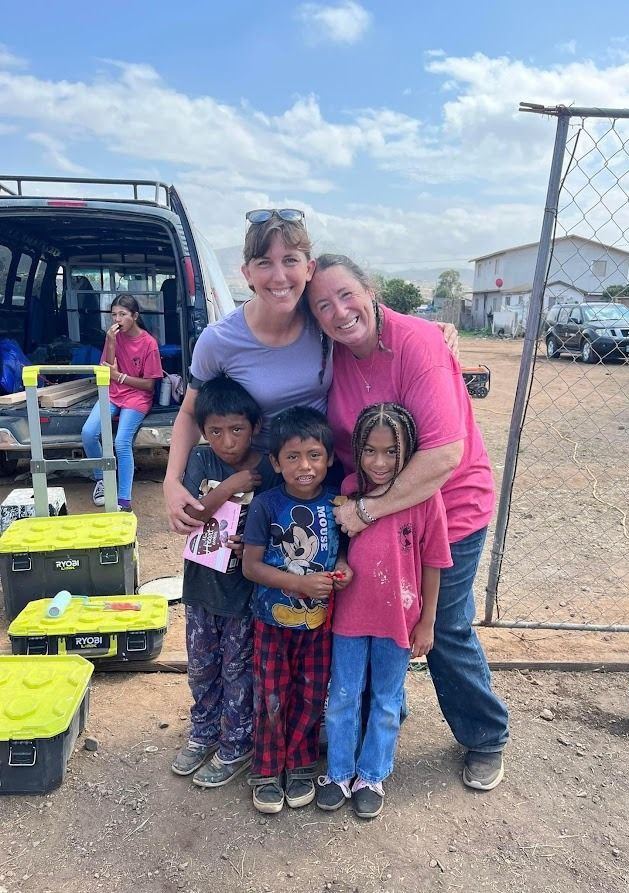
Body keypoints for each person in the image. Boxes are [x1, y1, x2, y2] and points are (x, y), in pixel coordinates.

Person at [305, 254, 510, 791]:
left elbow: (444, 453)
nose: (339, 312)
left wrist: (367, 511)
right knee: (371, 615)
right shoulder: (334, 354)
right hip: (371, 508)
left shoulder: (417, 343)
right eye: (322, 305)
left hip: (446, 506)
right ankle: (380, 713)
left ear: (371, 290)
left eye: (346, 295)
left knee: (441, 626)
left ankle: (485, 735)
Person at [162, 208, 456, 534]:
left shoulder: (323, 320)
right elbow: (190, 413)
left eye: (290, 260)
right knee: (259, 572)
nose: (279, 276)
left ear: (308, 267)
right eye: (264, 263)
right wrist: (172, 481)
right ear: (246, 272)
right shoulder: (219, 341)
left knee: (324, 573)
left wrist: (433, 330)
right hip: (263, 475)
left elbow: (363, 310)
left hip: (326, 470)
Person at [317, 403, 451, 819]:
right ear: (357, 449)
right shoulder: (350, 488)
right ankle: (339, 772)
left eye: (391, 452)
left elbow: (434, 562)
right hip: (350, 617)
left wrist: (427, 622)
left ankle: (372, 773)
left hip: (399, 619)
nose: (380, 462)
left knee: (387, 699)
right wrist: (339, 564)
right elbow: (338, 545)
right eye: (370, 451)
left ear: (409, 450)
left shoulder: (424, 497)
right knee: (342, 695)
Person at [242, 407, 352, 814]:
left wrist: (341, 569)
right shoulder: (266, 505)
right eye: (292, 457)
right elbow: (251, 566)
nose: (304, 466)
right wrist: (300, 583)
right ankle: (268, 769)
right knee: (271, 694)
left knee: (310, 695)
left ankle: (302, 763)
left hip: (319, 624)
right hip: (271, 622)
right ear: (275, 462)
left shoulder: (337, 504)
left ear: (328, 458)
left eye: (314, 455)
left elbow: (342, 553)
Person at [171, 374, 279, 787]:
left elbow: (276, 529)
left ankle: (236, 743)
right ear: (202, 431)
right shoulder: (199, 461)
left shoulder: (269, 468)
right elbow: (191, 515)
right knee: (201, 667)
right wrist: (230, 488)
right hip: (200, 589)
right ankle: (203, 733)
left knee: (238, 669)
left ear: (254, 427)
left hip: (243, 593)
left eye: (236, 429)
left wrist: (251, 546)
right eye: (215, 431)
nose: (227, 441)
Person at [82, 294, 163, 511]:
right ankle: (102, 479)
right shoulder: (114, 337)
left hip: (137, 396)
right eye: (114, 315)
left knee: (121, 442)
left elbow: (149, 386)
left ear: (135, 316)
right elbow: (107, 369)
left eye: (123, 314)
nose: (117, 319)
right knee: (88, 433)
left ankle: (124, 499)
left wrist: (120, 377)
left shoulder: (149, 343)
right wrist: (110, 341)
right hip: (113, 392)